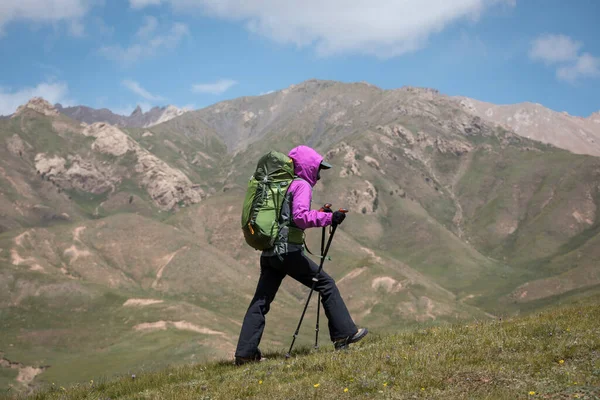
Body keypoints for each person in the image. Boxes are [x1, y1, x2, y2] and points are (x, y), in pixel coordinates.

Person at [234, 145, 368, 365]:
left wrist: (321, 213)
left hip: (269, 254)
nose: (319, 173)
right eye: (317, 168)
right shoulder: (301, 184)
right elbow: (300, 218)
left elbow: (288, 217)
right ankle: (344, 334)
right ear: (308, 166)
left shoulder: (282, 184)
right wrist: (329, 218)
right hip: (288, 253)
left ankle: (245, 354)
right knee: (326, 284)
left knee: (260, 302)